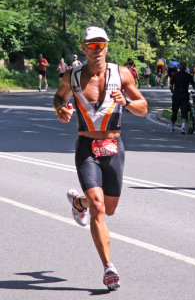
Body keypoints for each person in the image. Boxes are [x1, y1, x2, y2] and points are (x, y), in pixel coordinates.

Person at [53, 26, 148, 291]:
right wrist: (61, 109)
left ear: (107, 46)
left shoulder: (122, 74)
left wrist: (126, 103)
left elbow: (144, 107)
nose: (98, 50)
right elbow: (60, 98)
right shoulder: (71, 76)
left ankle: (78, 203)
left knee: (109, 207)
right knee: (99, 206)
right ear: (83, 47)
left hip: (114, 146)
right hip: (87, 146)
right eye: (92, 45)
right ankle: (108, 268)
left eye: (102, 45)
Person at [168, 61, 195, 134]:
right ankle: (183, 126)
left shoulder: (175, 75)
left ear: (179, 67)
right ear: (185, 68)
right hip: (185, 95)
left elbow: (171, 86)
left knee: (175, 110)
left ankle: (172, 126)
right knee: (184, 111)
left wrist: (173, 91)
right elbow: (194, 85)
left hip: (176, 95)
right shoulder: (188, 76)